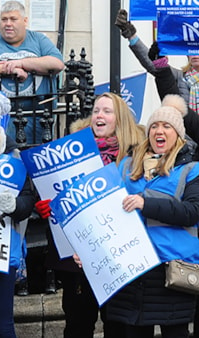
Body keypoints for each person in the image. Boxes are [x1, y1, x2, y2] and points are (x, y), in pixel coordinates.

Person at [35, 92, 146, 338]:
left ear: (120, 119)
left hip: (118, 253)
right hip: (77, 255)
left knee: (117, 324)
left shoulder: (136, 154)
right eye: (96, 110)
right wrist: (48, 205)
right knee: (78, 323)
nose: (99, 115)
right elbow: (58, 190)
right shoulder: (71, 152)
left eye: (107, 111)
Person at [106, 94, 199, 337]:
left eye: (167, 126)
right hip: (133, 266)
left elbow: (193, 212)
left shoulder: (194, 170)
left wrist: (146, 203)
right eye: (154, 126)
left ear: (179, 135)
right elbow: (106, 211)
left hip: (172, 266)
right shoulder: (125, 166)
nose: (159, 131)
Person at [115, 9, 199, 123]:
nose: (195, 54)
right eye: (191, 50)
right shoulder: (179, 76)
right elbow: (154, 65)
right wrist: (131, 35)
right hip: (186, 141)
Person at [0, 90, 35, 337]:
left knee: (1, 324)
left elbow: (28, 201)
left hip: (1, 252)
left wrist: (15, 206)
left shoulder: (13, 156)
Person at [0, 0, 65, 143]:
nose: (8, 23)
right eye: (4, 19)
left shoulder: (38, 40)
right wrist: (8, 69)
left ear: (25, 21)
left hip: (37, 116)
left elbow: (57, 63)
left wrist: (22, 63)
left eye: (13, 19)